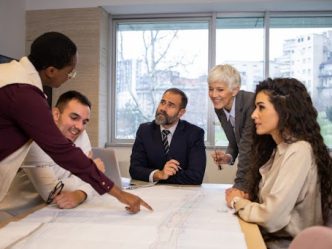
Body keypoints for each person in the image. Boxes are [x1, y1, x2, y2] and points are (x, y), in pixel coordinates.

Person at [0, 31, 151, 213]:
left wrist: (83, 187)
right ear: (51, 71)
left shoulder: (9, 74)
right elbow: (64, 154)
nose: (78, 126)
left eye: (84, 121)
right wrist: (119, 194)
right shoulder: (24, 94)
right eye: (69, 73)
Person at [226, 78, 332, 249]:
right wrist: (250, 200)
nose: (254, 114)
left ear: (284, 110)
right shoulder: (278, 149)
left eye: (261, 107)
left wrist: (236, 202)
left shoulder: (299, 151)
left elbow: (271, 218)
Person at [23, 90, 104, 209]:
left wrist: (80, 194)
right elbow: (51, 194)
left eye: (84, 121)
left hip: (58, 210)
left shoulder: (81, 134)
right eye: (74, 117)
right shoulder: (36, 140)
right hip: (22, 214)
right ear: (56, 114)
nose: (80, 126)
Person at [129, 88, 206, 185]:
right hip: (151, 193)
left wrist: (165, 176)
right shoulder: (144, 130)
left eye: (171, 105)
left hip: (182, 194)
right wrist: (159, 174)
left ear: (181, 113)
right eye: (162, 102)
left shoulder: (194, 133)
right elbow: (134, 170)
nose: (163, 108)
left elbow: (196, 176)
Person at [207, 64, 254, 200]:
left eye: (220, 90)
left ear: (235, 90)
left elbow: (247, 148)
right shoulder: (220, 107)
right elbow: (235, 141)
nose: (214, 95)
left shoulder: (249, 103)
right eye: (211, 89)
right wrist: (228, 156)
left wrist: (239, 187)